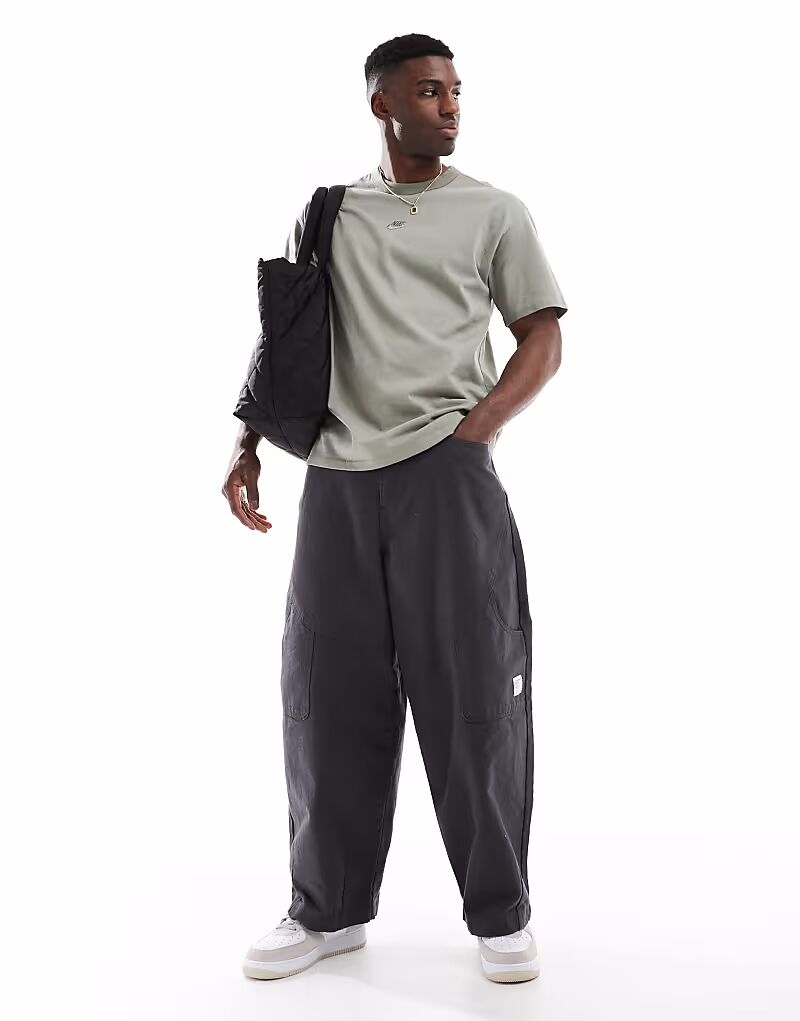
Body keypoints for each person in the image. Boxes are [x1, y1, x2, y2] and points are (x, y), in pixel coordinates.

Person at [222, 32, 568, 984]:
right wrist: (247, 443)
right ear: (383, 104)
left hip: (446, 475)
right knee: (325, 693)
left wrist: (475, 431)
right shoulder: (328, 211)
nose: (448, 106)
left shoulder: (494, 211)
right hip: (336, 478)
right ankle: (325, 909)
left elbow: (542, 337)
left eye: (455, 90)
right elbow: (286, 337)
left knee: (472, 692)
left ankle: (500, 911)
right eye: (427, 91)